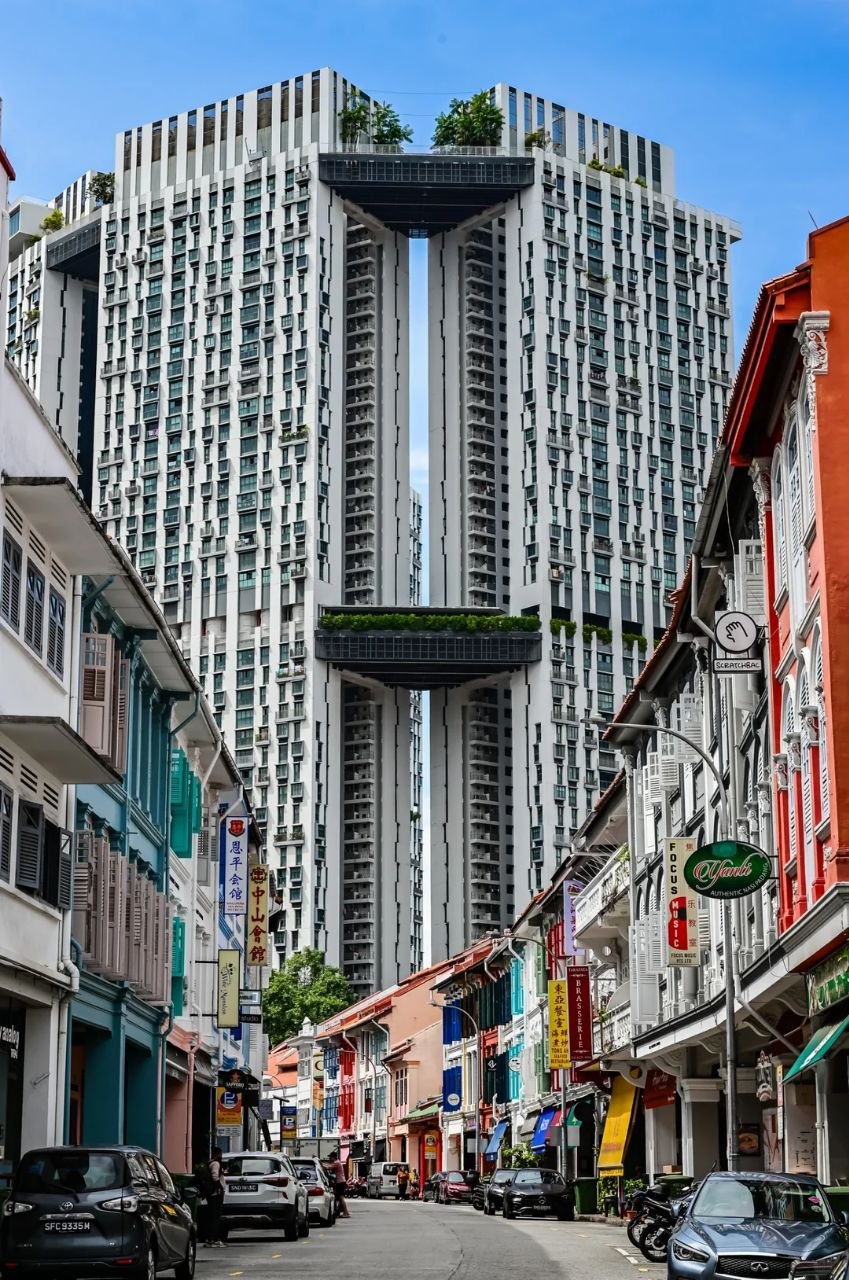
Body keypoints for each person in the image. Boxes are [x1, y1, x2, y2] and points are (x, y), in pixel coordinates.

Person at [202, 1147, 226, 1247]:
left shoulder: (210, 1163)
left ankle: (211, 1239)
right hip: (215, 1194)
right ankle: (213, 1239)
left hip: (212, 1194)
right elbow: (215, 1177)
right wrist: (220, 1188)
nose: (221, 1156)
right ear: (217, 1154)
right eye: (220, 1154)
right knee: (215, 1217)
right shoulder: (215, 1163)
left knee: (212, 1217)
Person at [327, 1150, 351, 1219]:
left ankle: (346, 1212)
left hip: (340, 1182)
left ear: (333, 1157)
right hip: (340, 1182)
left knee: (341, 1197)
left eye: (330, 1157)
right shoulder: (337, 1162)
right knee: (340, 1198)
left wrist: (320, 1163)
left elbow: (328, 1167)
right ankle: (344, 1212)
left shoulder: (336, 1163)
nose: (329, 1159)